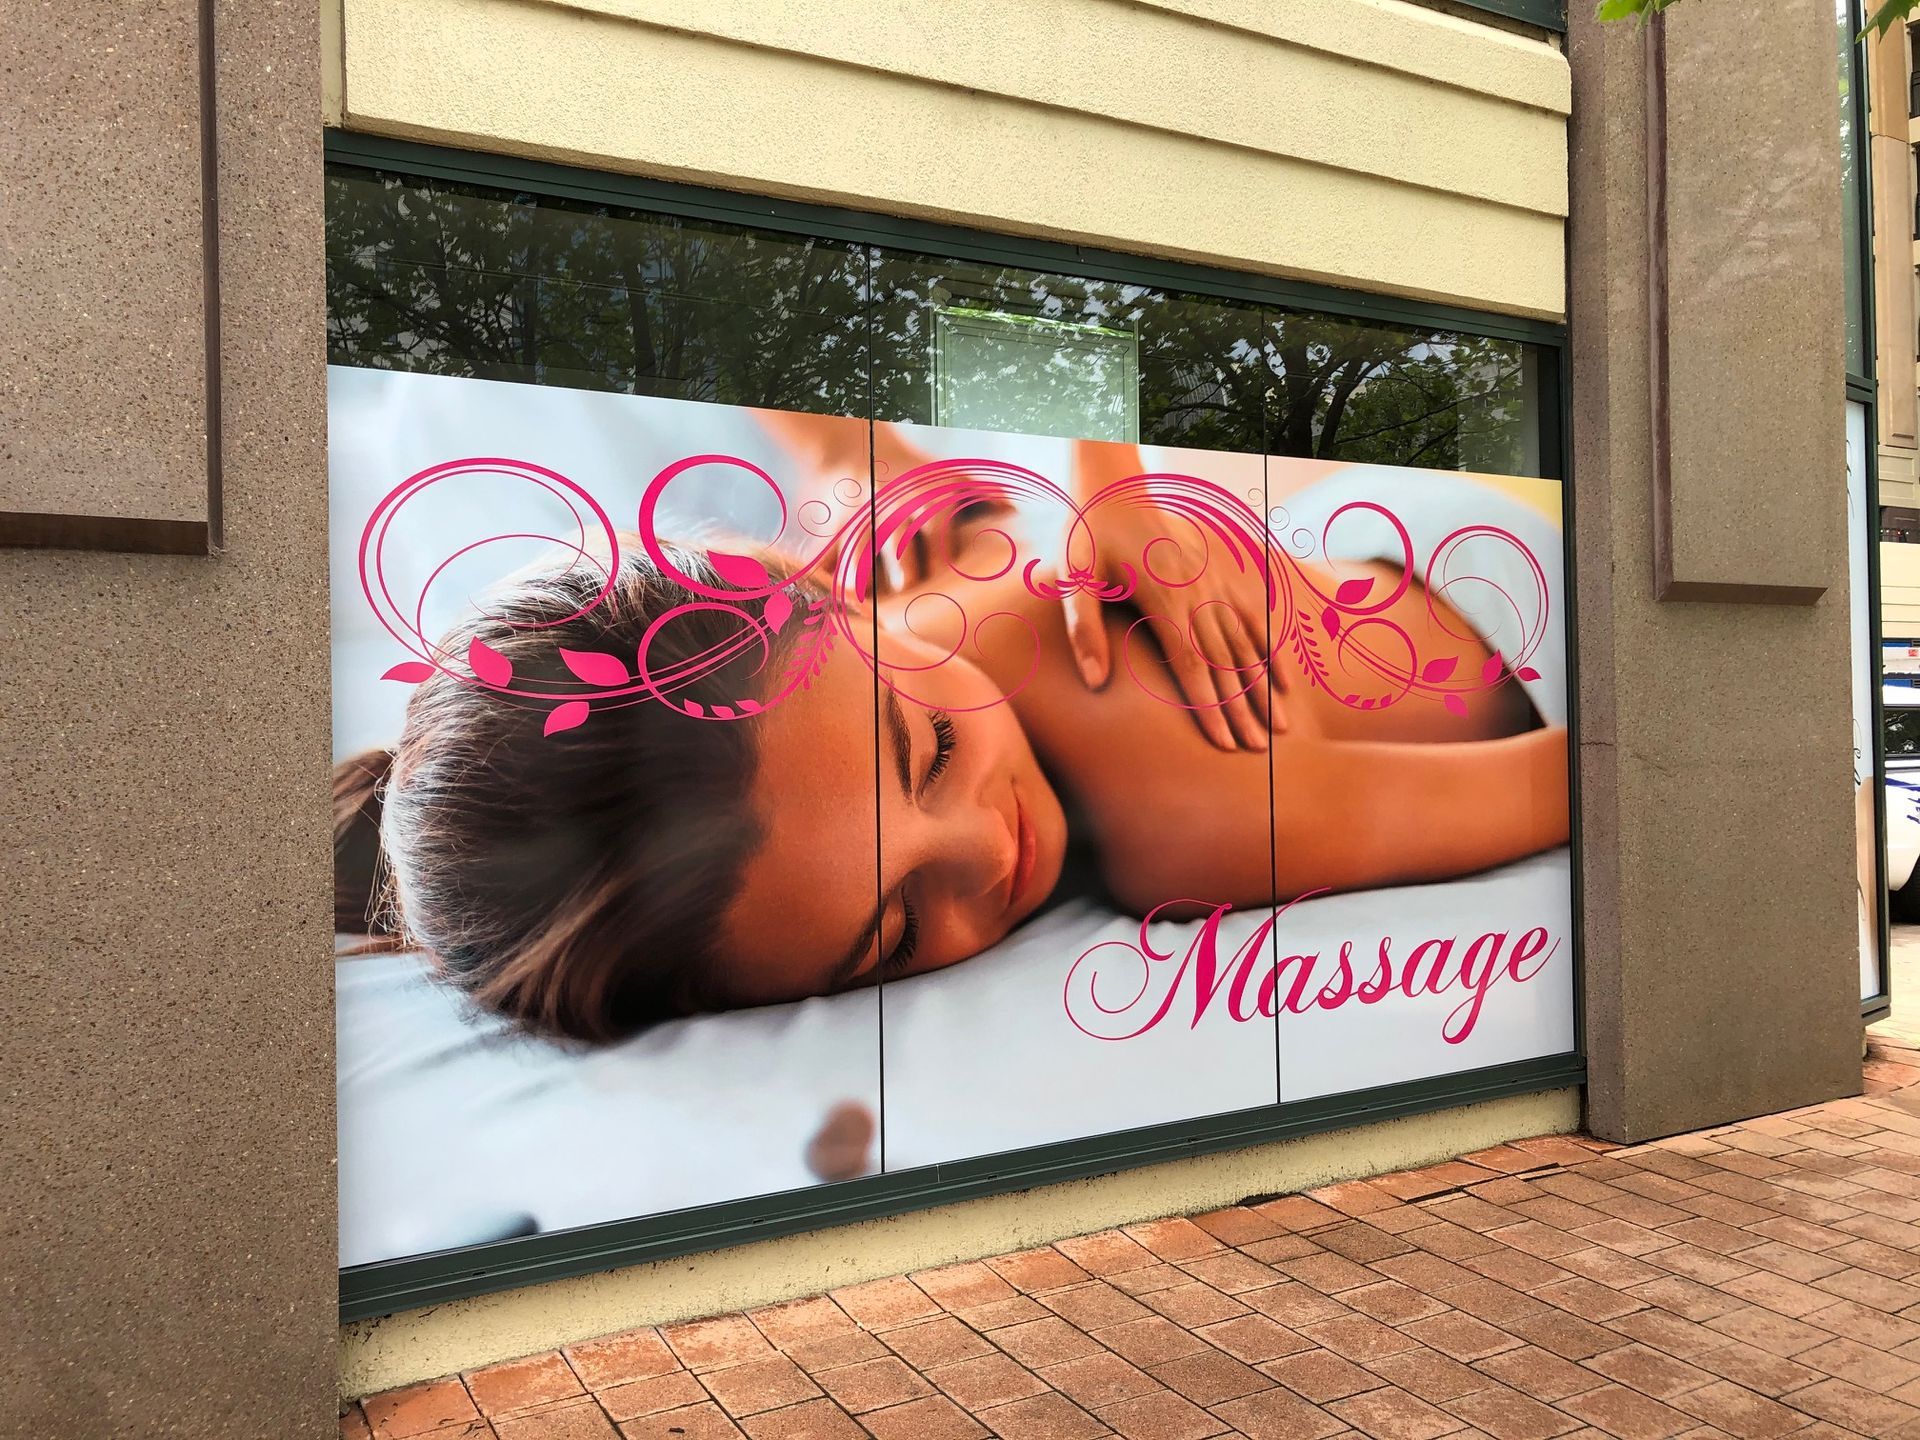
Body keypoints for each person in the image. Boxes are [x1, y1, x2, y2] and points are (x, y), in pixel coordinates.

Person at [335, 434, 1569, 1045]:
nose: (987, 848)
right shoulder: (891, 607)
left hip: (1538, 600)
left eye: (928, 752)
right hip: (1366, 534)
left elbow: (1590, 774)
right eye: (898, 933)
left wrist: (1116, 489)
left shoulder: (1190, 820)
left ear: (801, 581)